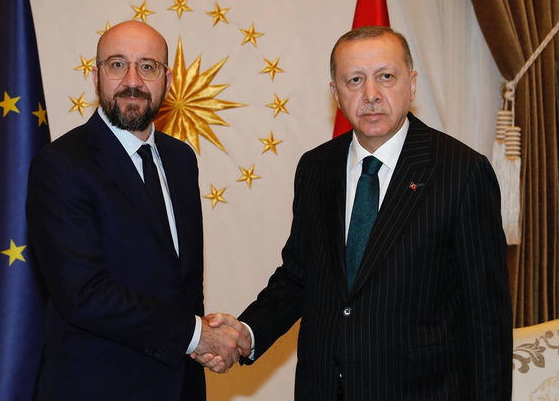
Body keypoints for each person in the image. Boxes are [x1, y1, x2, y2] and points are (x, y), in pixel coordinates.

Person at [201, 26, 513, 399]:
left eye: (386, 77)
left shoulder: (461, 172)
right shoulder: (316, 168)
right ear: (335, 93)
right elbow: (300, 276)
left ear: (412, 84)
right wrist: (246, 333)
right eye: (355, 80)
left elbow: (487, 318)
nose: (371, 94)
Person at [26, 21, 249, 400]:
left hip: (180, 385)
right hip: (96, 389)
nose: (133, 80)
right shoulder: (60, 164)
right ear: (96, 76)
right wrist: (197, 335)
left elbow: (182, 284)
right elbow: (83, 294)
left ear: (168, 80)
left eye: (148, 66)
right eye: (117, 65)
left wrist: (203, 341)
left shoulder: (181, 159)